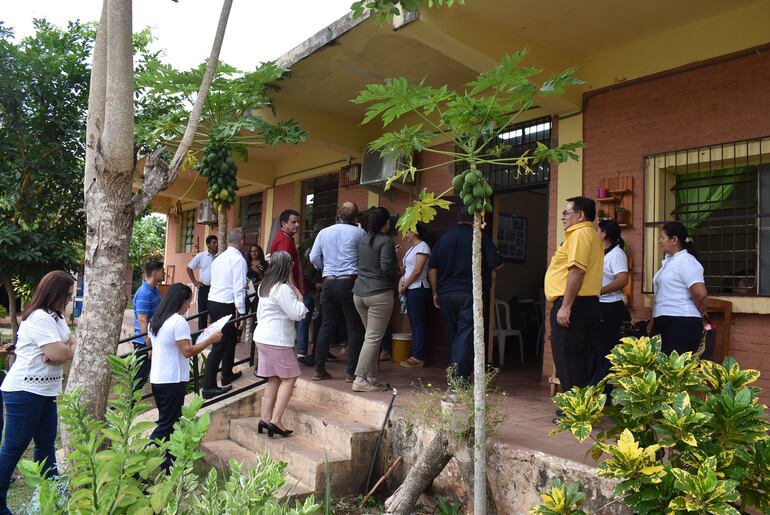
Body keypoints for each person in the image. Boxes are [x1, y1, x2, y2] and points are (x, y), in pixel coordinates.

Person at [0, 271, 77, 513]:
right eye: (68, 295)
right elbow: (60, 353)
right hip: (25, 391)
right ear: (56, 293)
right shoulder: (40, 318)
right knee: (14, 447)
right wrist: (61, 352)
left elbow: (72, 343)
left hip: (45, 391)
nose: (69, 299)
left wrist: (62, 351)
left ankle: (49, 497)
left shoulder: (56, 318)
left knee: (45, 446)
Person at [148, 284, 222, 470]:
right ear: (180, 301)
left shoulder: (156, 319)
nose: (189, 305)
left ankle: (167, 464)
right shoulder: (178, 321)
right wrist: (209, 340)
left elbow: (150, 343)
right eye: (189, 301)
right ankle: (144, 461)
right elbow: (188, 351)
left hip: (158, 378)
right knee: (168, 424)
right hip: (171, 380)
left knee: (169, 422)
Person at [428, 210, 503, 383]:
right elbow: (496, 264)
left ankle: (455, 374)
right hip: (469, 294)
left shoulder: (444, 238)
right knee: (465, 335)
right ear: (477, 218)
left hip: (446, 294)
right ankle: (459, 380)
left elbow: (432, 268)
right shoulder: (479, 236)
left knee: (453, 335)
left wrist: (435, 292)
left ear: (459, 218)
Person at [544, 196, 603, 394]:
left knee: (568, 359)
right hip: (586, 304)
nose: (563, 217)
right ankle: (581, 409)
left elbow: (577, 270)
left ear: (580, 215)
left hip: (574, 305)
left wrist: (566, 306)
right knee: (579, 358)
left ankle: (573, 410)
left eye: (566, 213)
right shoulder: (588, 234)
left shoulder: (580, 234)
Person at [252, 251, 308, 437]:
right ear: (288, 266)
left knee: (274, 378)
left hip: (262, 337)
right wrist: (300, 299)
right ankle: (276, 420)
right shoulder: (282, 288)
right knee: (290, 377)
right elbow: (296, 314)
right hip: (277, 340)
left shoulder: (264, 286)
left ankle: (265, 419)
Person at [309, 202, 366, 382]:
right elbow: (365, 257)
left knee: (326, 325)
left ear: (337, 214)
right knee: (354, 327)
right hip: (349, 282)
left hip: (328, 283)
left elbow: (313, 257)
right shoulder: (359, 233)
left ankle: (319, 369)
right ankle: (351, 373)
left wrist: (326, 268)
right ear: (356, 217)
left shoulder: (324, 232)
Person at [351, 207, 399, 392]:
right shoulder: (385, 241)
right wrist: (398, 270)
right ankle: (360, 379)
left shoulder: (362, 239)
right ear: (386, 223)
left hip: (359, 293)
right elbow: (386, 268)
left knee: (371, 337)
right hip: (379, 293)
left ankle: (371, 377)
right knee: (373, 337)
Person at [651, 221, 708, 354]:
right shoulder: (669, 262)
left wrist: (700, 310)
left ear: (674, 240)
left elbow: (700, 293)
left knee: (675, 369)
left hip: (681, 321)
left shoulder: (686, 261)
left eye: (663, 237)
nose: (660, 241)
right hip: (664, 319)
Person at [205, 229, 248, 399]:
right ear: (242, 241)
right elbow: (238, 287)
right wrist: (242, 313)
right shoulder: (238, 259)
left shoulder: (219, 258)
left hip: (213, 301)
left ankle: (227, 373)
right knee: (220, 345)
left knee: (229, 340)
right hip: (225, 304)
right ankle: (209, 386)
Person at [592, 219, 629, 387]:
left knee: (604, 352)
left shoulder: (617, 254)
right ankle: (593, 392)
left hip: (609, 308)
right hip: (597, 306)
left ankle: (602, 394)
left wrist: (599, 291)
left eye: (597, 229)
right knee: (594, 351)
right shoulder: (599, 251)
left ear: (604, 233)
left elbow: (622, 279)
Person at [399, 223, 431, 368]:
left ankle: (418, 356)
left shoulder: (423, 247)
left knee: (418, 322)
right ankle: (415, 353)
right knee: (413, 322)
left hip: (418, 287)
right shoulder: (412, 248)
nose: (406, 235)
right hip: (410, 288)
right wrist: (402, 282)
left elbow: (417, 270)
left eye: (408, 232)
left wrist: (405, 285)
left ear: (414, 232)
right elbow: (406, 269)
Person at [132, 261, 165, 391]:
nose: (164, 274)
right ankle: (131, 406)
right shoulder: (144, 293)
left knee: (144, 375)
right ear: (155, 273)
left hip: (152, 339)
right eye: (162, 271)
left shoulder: (154, 289)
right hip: (144, 342)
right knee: (140, 377)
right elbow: (142, 320)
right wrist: (148, 345)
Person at [297, 223, 325, 366]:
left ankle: (302, 351)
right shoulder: (320, 243)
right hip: (316, 285)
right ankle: (319, 350)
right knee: (321, 320)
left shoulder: (303, 243)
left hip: (305, 286)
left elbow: (300, 265)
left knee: (304, 318)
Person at [186, 235, 218, 332]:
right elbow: (189, 268)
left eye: (217, 243)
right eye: (214, 243)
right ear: (208, 244)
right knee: (202, 313)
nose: (216, 245)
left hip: (216, 289)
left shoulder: (220, 256)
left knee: (215, 312)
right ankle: (201, 335)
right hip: (204, 288)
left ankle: (214, 334)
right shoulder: (201, 256)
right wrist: (195, 282)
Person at [270, 209, 305, 294]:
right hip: (286, 289)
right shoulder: (284, 241)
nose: (297, 225)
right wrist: (295, 293)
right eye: (293, 222)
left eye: (298, 222)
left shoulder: (286, 238)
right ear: (284, 223)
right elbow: (286, 269)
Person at [245, 244, 268, 314]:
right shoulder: (246, 263)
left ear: (259, 252)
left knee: (256, 312)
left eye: (256, 251)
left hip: (258, 290)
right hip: (247, 289)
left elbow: (266, 278)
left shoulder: (264, 264)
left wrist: (259, 272)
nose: (254, 253)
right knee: (243, 312)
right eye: (252, 251)